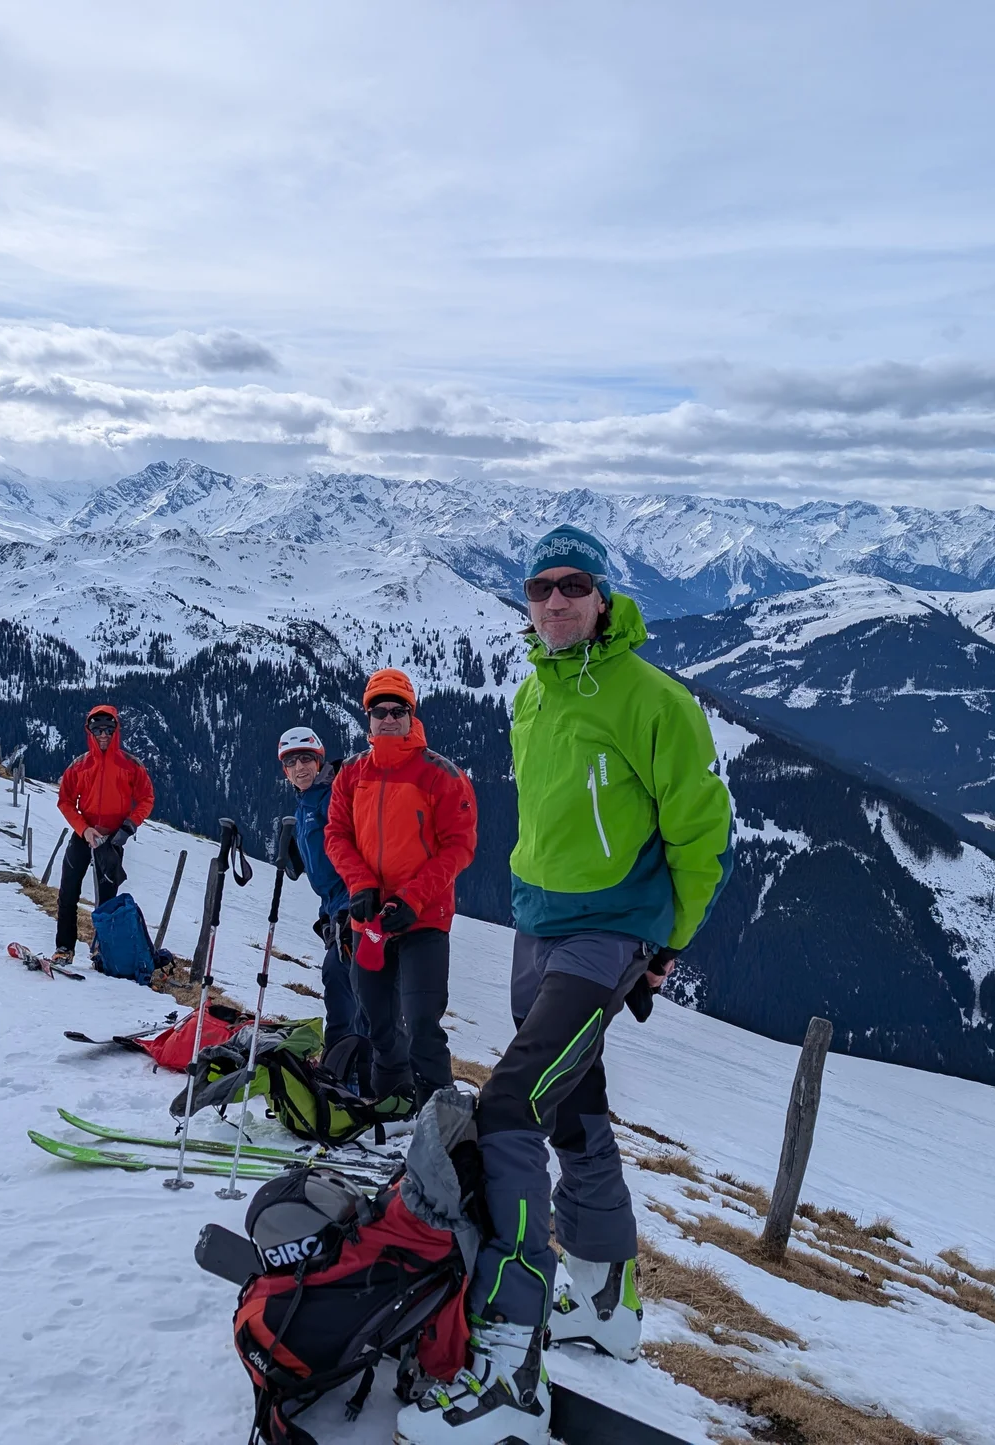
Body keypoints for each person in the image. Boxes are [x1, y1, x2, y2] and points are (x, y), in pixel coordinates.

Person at [395, 526, 732, 1445]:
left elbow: (703, 831)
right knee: (575, 1106)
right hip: (536, 929)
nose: (554, 602)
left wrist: (667, 941)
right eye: (539, 588)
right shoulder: (533, 694)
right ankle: (608, 1306)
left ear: (605, 597)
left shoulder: (654, 699)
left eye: (572, 586)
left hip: (609, 933)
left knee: (509, 1105)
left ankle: (510, 1357)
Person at [322, 668, 476, 1113]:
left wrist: (413, 897)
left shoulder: (441, 775)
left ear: (412, 715)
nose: (388, 719)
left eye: (397, 710)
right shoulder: (351, 773)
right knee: (376, 1022)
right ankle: (391, 1102)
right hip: (368, 920)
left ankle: (438, 1119)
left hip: (423, 920)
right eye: (378, 711)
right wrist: (361, 884)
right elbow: (336, 834)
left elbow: (459, 847)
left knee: (424, 1024)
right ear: (367, 718)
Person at [278, 726, 371, 1087]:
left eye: (306, 759)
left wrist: (351, 908)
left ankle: (357, 1075)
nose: (299, 767)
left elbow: (354, 852)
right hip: (335, 909)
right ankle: (342, 1070)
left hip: (356, 905)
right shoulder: (306, 803)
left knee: (350, 986)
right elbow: (323, 869)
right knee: (342, 985)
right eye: (291, 762)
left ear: (319, 760)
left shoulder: (337, 795)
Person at [52, 704, 155, 967]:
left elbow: (146, 798)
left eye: (108, 729)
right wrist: (83, 829)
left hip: (112, 839)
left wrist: (128, 828)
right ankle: (64, 948)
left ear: (116, 729)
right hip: (84, 834)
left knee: (107, 901)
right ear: (89, 731)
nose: (103, 735)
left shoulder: (130, 766)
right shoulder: (80, 766)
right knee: (68, 893)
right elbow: (65, 800)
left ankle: (102, 953)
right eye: (97, 729)